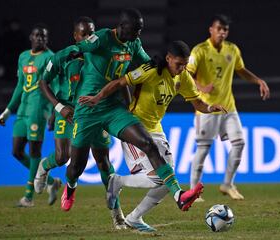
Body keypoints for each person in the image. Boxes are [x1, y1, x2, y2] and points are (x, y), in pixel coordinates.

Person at [60, 8, 204, 213]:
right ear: (123, 26)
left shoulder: (134, 44)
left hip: (113, 108)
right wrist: (76, 51)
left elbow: (146, 62)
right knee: (76, 167)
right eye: (137, 29)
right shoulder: (102, 37)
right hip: (88, 107)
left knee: (148, 143)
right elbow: (83, 46)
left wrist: (156, 64)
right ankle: (71, 186)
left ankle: (178, 195)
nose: (139, 34)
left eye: (141, 30)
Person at [78, 40, 227, 232]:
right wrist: (97, 98)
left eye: (185, 64)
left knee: (168, 178)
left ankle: (134, 218)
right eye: (178, 64)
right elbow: (119, 82)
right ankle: (118, 181)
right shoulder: (150, 70)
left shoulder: (183, 77)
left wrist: (209, 107)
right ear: (168, 59)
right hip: (134, 128)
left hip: (156, 130)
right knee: (160, 178)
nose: (182, 68)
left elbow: (196, 101)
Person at [34, 16, 126, 229]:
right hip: (68, 112)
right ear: (75, 36)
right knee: (63, 157)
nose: (88, 37)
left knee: (103, 161)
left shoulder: (103, 53)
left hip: (94, 111)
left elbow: (119, 81)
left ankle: (117, 214)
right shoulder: (64, 56)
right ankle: (44, 166)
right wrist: (59, 108)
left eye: (91, 33)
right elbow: (43, 82)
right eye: (83, 34)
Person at [188, 14, 270, 200]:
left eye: (225, 30)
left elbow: (241, 70)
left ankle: (227, 184)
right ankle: (193, 191)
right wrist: (201, 87)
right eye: (219, 29)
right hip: (207, 108)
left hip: (228, 107)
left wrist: (258, 81)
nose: (222, 33)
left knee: (239, 143)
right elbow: (186, 74)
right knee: (203, 149)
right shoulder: (199, 51)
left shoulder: (232, 50)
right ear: (211, 30)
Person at [0, 24, 61, 207]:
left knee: (34, 152)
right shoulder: (23, 56)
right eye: (37, 35)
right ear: (31, 38)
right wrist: (8, 111)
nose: (40, 38)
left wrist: (54, 112)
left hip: (39, 109)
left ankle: (28, 197)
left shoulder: (50, 58)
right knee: (16, 151)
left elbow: (55, 86)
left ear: (47, 39)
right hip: (23, 110)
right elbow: (20, 86)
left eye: (44, 36)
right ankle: (51, 182)